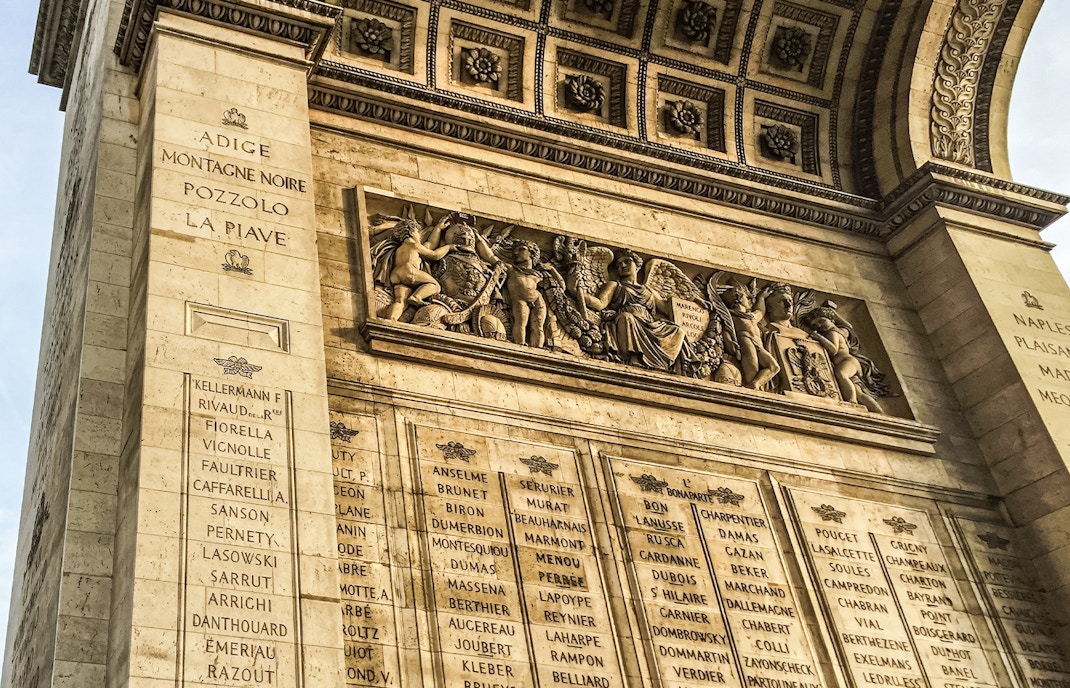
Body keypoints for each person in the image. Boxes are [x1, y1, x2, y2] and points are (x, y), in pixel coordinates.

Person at [580, 249, 685, 371]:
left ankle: (662, 363)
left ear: (637, 265)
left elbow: (668, 309)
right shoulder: (615, 285)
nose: (622, 266)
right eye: (619, 265)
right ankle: (632, 358)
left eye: (626, 262)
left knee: (678, 331)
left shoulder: (649, 290)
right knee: (626, 318)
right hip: (628, 321)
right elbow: (599, 303)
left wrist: (695, 301)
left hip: (650, 325)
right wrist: (579, 293)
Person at [801, 306, 883, 412]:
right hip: (850, 363)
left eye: (822, 321)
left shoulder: (832, 333)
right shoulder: (842, 332)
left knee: (841, 374)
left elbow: (833, 350)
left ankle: (852, 402)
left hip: (847, 362)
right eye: (815, 325)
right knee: (859, 394)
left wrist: (819, 337)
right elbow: (848, 326)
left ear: (831, 320)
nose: (819, 326)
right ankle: (879, 412)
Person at [383, 219, 454, 321]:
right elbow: (434, 255)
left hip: (396, 274)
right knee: (435, 285)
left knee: (400, 301)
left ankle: (390, 320)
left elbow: (430, 244)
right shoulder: (414, 245)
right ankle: (417, 296)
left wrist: (438, 228)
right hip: (409, 270)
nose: (419, 236)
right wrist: (448, 247)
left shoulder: (400, 249)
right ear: (412, 232)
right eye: (417, 232)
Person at [722, 284, 780, 389]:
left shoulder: (751, 316)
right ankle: (751, 386)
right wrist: (729, 342)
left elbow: (760, 311)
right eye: (746, 297)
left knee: (774, 367)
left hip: (758, 344)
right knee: (752, 369)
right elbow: (726, 329)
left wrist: (761, 297)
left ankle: (756, 384)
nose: (750, 301)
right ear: (739, 299)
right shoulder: (731, 315)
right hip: (745, 341)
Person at [505, 240, 548, 347]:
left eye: (521, 249)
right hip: (519, 298)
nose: (516, 253)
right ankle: (520, 345)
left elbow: (562, 286)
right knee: (520, 322)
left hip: (537, 298)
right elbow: (490, 256)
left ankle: (538, 348)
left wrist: (552, 270)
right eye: (514, 251)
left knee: (538, 325)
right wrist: (479, 240)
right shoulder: (512, 269)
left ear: (532, 253)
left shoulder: (538, 274)